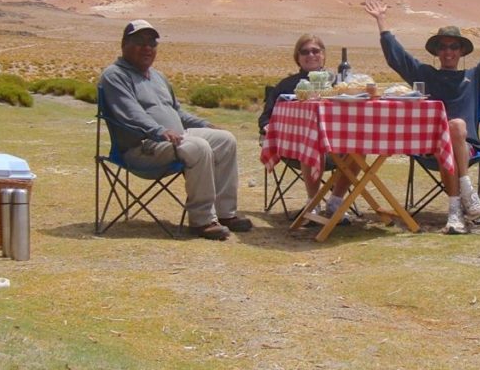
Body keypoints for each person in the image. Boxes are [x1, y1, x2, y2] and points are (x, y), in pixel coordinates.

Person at [363, 0, 480, 234]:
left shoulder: (474, 76)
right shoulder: (426, 75)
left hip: (465, 146)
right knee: (451, 131)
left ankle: (455, 210)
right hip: (429, 145)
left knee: (456, 127)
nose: (448, 52)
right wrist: (381, 21)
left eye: (454, 47)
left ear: (461, 52)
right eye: (443, 47)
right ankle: (467, 194)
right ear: (437, 52)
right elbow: (397, 59)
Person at [100, 19, 252, 241]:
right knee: (198, 147)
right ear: (124, 44)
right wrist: (159, 131)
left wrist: (204, 124)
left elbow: (177, 112)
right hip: (143, 147)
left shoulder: (158, 76)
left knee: (225, 140)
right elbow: (131, 114)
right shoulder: (115, 75)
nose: (147, 48)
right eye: (140, 42)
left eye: (152, 43)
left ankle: (226, 214)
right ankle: (202, 221)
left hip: (174, 138)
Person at [258, 33, 353, 221]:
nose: (311, 55)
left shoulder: (339, 85)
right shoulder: (287, 86)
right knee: (311, 144)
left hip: (335, 145)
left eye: (315, 51)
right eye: (305, 52)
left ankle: (336, 201)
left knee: (359, 146)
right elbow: (265, 117)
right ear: (297, 57)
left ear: (323, 55)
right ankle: (313, 202)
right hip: (295, 146)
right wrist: (268, 128)